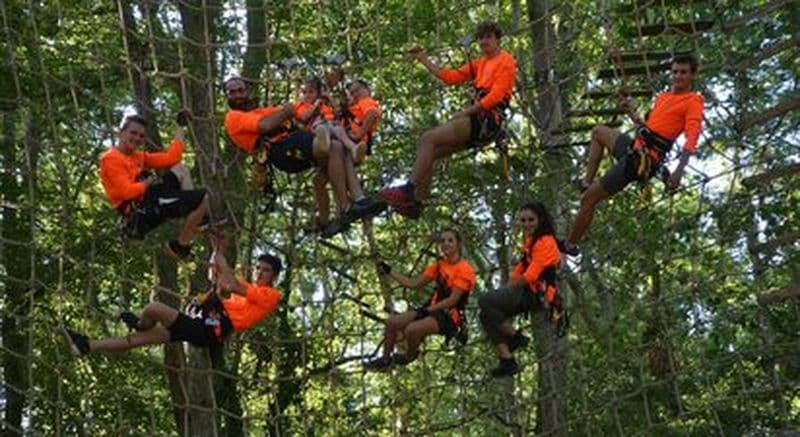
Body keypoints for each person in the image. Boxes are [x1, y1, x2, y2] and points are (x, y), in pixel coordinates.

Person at [560, 54, 704, 256]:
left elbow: (692, 137)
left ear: (692, 75)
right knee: (598, 132)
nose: (678, 76)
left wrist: (679, 171)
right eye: (675, 72)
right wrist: (632, 113)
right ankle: (586, 181)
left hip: (641, 161)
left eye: (683, 72)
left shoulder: (693, 101)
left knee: (588, 200)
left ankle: (570, 244)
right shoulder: (663, 97)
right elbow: (649, 128)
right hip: (635, 147)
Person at [377, 21, 517, 218]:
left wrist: (467, 112)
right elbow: (449, 77)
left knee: (428, 138)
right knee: (433, 152)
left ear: (497, 39)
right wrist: (423, 59)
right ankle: (416, 202)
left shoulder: (505, 60)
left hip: (486, 120)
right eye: (481, 38)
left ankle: (407, 189)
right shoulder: (480, 63)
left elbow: (496, 96)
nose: (484, 41)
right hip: (480, 122)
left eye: (488, 37)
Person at [61, 234, 282, 357]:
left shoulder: (270, 295)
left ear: (274, 276)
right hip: (203, 320)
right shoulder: (248, 287)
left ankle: (141, 323)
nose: (259, 272)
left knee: (154, 309)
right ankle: (86, 346)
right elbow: (215, 275)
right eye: (258, 268)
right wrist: (218, 250)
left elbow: (230, 282)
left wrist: (219, 249)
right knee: (137, 340)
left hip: (211, 328)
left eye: (266, 270)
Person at [99, 114, 210, 261]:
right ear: (121, 133)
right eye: (133, 133)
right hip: (141, 211)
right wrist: (146, 183)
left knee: (180, 169)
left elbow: (173, 158)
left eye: (141, 136)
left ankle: (193, 214)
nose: (137, 138)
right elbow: (126, 192)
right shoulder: (111, 159)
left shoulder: (138, 156)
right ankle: (180, 245)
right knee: (205, 197)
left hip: (150, 196)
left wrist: (180, 127)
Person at [363, 228, 476, 371]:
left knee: (411, 330)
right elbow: (414, 284)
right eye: (442, 241)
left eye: (450, 240)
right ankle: (385, 360)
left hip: (449, 317)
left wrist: (427, 310)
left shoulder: (465, 269)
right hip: (430, 310)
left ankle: (410, 356)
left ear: (458, 244)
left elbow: (453, 300)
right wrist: (389, 271)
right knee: (392, 322)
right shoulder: (439, 266)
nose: (445, 244)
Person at [478, 202, 562, 378]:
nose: (527, 224)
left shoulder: (545, 242)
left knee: (485, 300)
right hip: (527, 291)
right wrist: (506, 289)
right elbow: (521, 268)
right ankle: (507, 360)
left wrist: (508, 288)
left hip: (538, 295)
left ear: (540, 220)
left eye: (531, 220)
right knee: (485, 315)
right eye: (523, 220)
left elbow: (531, 275)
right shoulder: (531, 241)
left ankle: (515, 337)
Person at [321, 79, 386, 237]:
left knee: (340, 157)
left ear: (367, 89)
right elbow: (337, 111)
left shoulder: (366, 101)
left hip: (354, 141)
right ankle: (356, 201)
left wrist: (359, 134)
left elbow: (371, 114)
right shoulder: (352, 107)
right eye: (352, 92)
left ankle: (344, 211)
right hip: (348, 144)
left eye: (357, 90)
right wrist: (329, 97)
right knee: (343, 167)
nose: (355, 94)